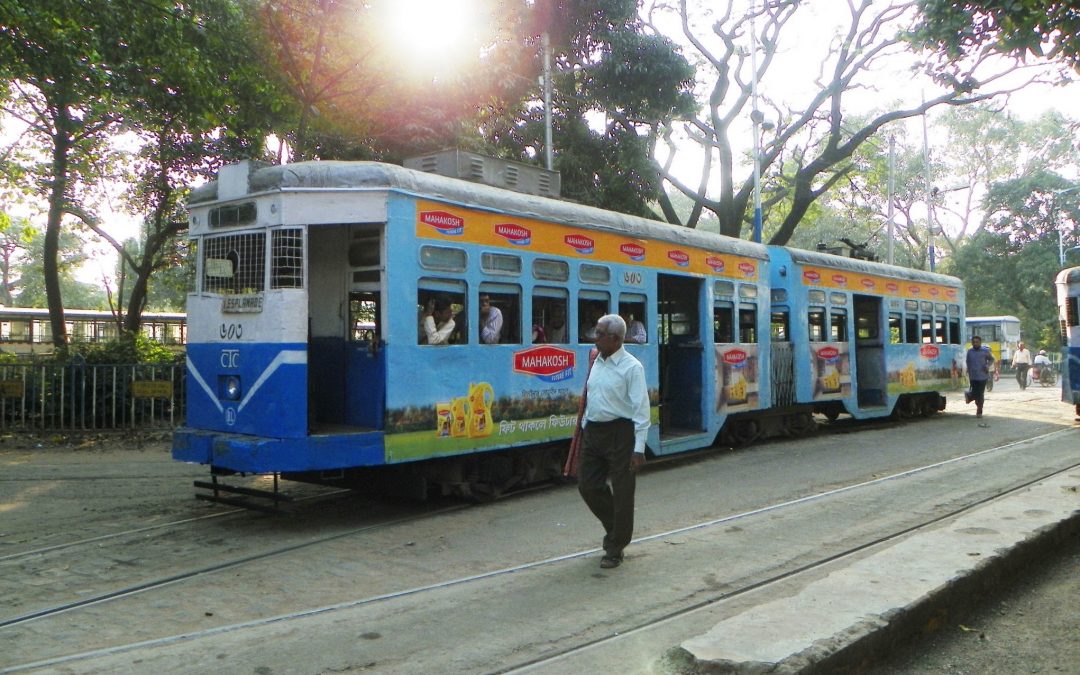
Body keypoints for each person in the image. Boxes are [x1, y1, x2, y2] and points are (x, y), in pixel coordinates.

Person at [577, 314, 650, 569]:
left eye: (599, 334)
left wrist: (638, 449)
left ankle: (615, 547)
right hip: (594, 432)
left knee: (622, 493)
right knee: (587, 485)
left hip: (621, 433)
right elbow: (593, 395)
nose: (594, 338)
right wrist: (585, 426)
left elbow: (641, 410)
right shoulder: (596, 359)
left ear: (616, 339)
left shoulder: (632, 368)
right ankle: (615, 528)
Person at [964, 335, 995, 418]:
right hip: (973, 376)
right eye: (973, 342)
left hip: (982, 376)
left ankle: (979, 410)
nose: (975, 343)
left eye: (977, 342)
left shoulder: (985, 351)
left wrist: (987, 366)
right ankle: (971, 397)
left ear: (980, 343)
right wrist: (968, 371)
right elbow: (967, 361)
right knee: (977, 393)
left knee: (980, 393)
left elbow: (992, 359)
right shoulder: (970, 351)